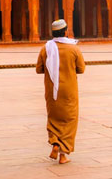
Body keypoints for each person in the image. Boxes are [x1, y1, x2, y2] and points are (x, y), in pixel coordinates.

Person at [36, 19, 85, 164]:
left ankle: (55, 142)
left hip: (52, 92)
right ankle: (63, 155)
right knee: (69, 120)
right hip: (69, 91)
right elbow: (81, 69)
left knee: (54, 119)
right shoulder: (74, 49)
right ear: (65, 32)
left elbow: (39, 69)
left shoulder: (46, 48)